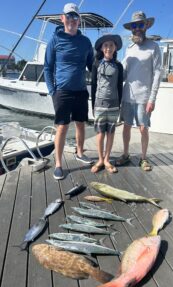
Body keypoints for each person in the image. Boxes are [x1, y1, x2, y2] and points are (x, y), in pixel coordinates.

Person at [44, 3, 94, 180]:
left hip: (80, 91)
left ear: (79, 20)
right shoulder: (55, 40)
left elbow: (92, 66)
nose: (72, 20)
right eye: (69, 16)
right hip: (62, 91)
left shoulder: (86, 42)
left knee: (81, 124)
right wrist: (52, 91)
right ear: (62, 18)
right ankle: (58, 164)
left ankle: (80, 153)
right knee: (62, 127)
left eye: (75, 17)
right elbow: (48, 68)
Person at [116, 11, 161, 171]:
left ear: (146, 26)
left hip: (144, 97)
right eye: (134, 26)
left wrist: (152, 99)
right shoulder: (129, 48)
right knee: (126, 126)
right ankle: (126, 154)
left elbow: (157, 74)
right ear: (131, 29)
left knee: (143, 128)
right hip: (127, 96)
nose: (137, 29)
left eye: (140, 25)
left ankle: (143, 158)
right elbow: (124, 73)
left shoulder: (154, 47)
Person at [91, 34, 123, 174]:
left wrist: (119, 104)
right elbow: (93, 85)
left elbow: (119, 87)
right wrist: (93, 105)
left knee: (110, 132)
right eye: (106, 45)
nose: (108, 48)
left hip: (114, 104)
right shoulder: (96, 63)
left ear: (115, 48)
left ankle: (107, 159)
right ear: (102, 48)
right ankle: (99, 159)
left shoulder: (119, 66)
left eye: (111, 45)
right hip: (99, 103)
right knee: (100, 133)